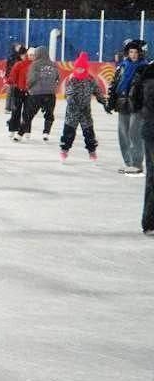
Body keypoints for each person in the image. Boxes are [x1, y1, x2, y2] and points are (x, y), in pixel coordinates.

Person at [107, 39, 148, 174]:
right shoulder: (122, 67)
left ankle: (137, 163)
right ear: (127, 53)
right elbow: (114, 84)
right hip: (122, 103)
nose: (134, 54)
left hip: (137, 105)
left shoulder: (145, 68)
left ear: (140, 53)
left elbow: (148, 89)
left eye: (136, 52)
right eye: (131, 52)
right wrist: (110, 101)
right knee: (123, 134)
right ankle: (128, 162)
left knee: (134, 134)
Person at [59, 53, 109, 162]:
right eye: (78, 68)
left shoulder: (90, 79)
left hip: (85, 111)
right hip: (72, 111)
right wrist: (71, 101)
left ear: (85, 68)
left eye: (82, 68)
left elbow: (97, 92)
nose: (80, 70)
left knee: (89, 133)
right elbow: (69, 93)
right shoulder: (72, 78)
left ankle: (92, 151)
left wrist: (104, 102)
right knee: (68, 132)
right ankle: (64, 150)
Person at [129, 62, 154, 234]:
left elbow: (136, 102)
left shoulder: (146, 75)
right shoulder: (149, 78)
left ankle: (149, 221)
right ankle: (150, 221)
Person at [20, 45, 60, 141]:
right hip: (50, 94)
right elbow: (58, 78)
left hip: (36, 94)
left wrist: (28, 87)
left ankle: (20, 134)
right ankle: (46, 133)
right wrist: (53, 87)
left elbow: (32, 78)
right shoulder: (54, 65)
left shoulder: (35, 64)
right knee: (49, 114)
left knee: (29, 114)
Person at [7, 46, 33, 139]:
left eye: (33, 55)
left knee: (27, 112)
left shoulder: (36, 66)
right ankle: (13, 129)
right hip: (18, 90)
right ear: (27, 55)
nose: (31, 57)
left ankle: (26, 130)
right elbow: (13, 75)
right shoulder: (19, 64)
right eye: (30, 55)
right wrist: (10, 81)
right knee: (16, 111)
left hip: (30, 92)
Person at [4, 43, 24, 114]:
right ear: (14, 48)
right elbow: (8, 67)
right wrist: (7, 76)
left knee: (15, 93)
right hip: (11, 77)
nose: (19, 48)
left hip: (17, 77)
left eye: (19, 47)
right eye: (17, 47)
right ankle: (7, 108)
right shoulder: (12, 57)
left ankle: (13, 107)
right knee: (10, 92)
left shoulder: (20, 57)